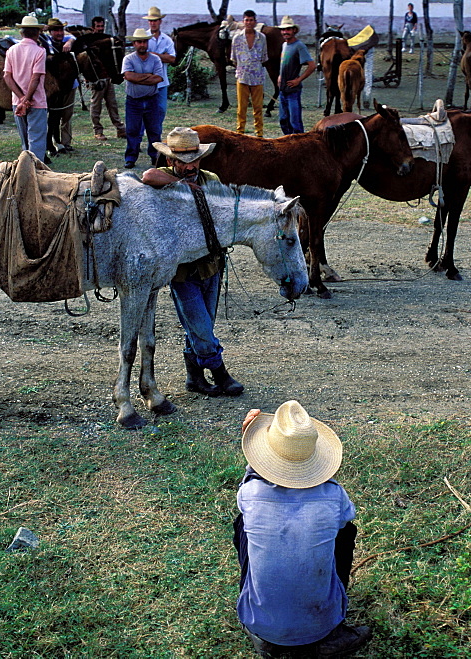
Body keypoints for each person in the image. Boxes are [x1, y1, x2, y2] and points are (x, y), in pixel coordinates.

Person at [235, 401, 372, 657]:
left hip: (258, 623)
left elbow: (251, 483)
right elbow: (344, 518)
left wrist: (252, 459)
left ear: (264, 451)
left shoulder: (250, 492)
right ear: (314, 454)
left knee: (243, 525)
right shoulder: (334, 495)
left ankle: (266, 637)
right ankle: (332, 634)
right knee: (344, 532)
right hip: (322, 626)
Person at [141, 127, 244, 396]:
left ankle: (194, 378)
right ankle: (220, 374)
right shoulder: (164, 183)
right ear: (171, 162)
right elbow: (147, 175)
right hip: (182, 272)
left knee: (202, 325)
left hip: (212, 264)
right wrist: (180, 184)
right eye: (183, 162)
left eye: (194, 160)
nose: (190, 166)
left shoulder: (210, 179)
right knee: (199, 325)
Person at [3, 15, 49, 163]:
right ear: (37, 33)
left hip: (17, 101)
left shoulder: (11, 50)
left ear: (22, 32)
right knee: (37, 139)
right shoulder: (39, 51)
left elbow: (7, 77)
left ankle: (25, 171)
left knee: (25, 142)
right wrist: (27, 98)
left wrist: (21, 99)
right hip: (36, 101)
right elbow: (35, 78)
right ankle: (37, 172)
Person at [122, 28, 166, 169]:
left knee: (154, 130)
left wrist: (138, 78)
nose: (142, 45)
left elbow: (158, 78)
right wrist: (148, 76)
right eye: (139, 42)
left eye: (144, 42)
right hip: (133, 101)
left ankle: (155, 157)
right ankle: (130, 158)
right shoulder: (128, 59)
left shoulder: (155, 59)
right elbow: (128, 76)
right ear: (134, 44)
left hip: (152, 99)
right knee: (132, 130)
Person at [143, 7, 177, 158]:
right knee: (141, 112)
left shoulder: (167, 39)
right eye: (151, 21)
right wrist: (161, 56)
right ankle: (137, 142)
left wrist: (154, 55)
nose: (153, 23)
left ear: (160, 21)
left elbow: (172, 59)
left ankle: (155, 142)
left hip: (161, 83)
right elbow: (140, 55)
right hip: (144, 83)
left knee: (160, 111)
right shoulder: (143, 37)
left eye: (155, 20)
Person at [88, 15, 126, 141]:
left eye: (102, 26)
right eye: (98, 26)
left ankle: (120, 129)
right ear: (93, 28)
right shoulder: (90, 42)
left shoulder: (107, 40)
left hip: (107, 78)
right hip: (96, 80)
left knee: (112, 104)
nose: (100, 28)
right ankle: (97, 131)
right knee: (96, 106)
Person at [231, 10, 268, 138]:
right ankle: (240, 133)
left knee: (258, 108)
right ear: (243, 21)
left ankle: (259, 134)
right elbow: (234, 59)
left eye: (251, 20)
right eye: (246, 20)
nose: (249, 22)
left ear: (255, 22)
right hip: (242, 77)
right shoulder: (237, 38)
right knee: (242, 109)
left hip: (257, 77)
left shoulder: (262, 38)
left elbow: (264, 57)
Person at [277, 16, 315, 135]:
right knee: (283, 120)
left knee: (295, 122)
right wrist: (280, 76)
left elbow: (312, 65)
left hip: (293, 91)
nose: (285, 32)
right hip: (283, 90)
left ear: (294, 30)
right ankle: (289, 145)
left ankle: (300, 148)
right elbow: (284, 64)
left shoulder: (299, 46)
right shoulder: (284, 45)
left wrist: (299, 80)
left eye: (288, 29)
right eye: (283, 30)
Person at [44, 17, 77, 154]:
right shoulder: (46, 42)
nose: (59, 33)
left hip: (70, 84)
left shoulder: (66, 40)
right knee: (53, 114)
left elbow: (74, 36)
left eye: (61, 30)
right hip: (53, 86)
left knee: (66, 114)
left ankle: (65, 142)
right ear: (50, 31)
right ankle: (53, 140)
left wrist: (69, 41)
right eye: (56, 30)